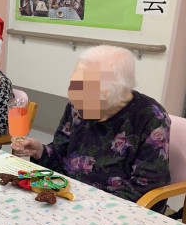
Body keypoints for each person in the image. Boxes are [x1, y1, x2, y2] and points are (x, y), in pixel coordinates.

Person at [12, 46, 170, 211]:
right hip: (69, 197)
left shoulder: (151, 118)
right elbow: (60, 157)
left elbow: (144, 187)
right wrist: (40, 151)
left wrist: (88, 207)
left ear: (119, 94)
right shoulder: (77, 105)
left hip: (113, 209)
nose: (75, 101)